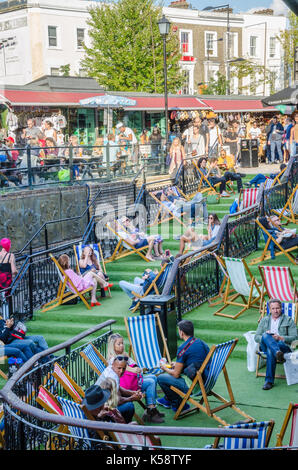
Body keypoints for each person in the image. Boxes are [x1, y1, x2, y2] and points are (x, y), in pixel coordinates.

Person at [107, 333, 165, 423]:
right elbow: (127, 368)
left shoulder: (124, 355)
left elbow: (135, 365)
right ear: (112, 346)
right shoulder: (113, 359)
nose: (122, 346)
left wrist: (136, 368)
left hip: (131, 382)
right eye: (119, 344)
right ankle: (150, 410)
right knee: (150, 382)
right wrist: (134, 369)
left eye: (122, 343)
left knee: (153, 377)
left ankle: (151, 408)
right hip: (124, 386)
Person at [157, 320, 210, 412]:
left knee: (161, 378)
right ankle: (167, 399)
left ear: (181, 332)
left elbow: (176, 374)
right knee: (173, 371)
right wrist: (180, 365)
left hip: (194, 386)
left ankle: (178, 404)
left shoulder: (183, 348)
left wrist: (164, 368)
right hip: (207, 382)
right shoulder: (201, 342)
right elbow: (198, 361)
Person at [254, 299, 298, 390]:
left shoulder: (288, 320)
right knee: (266, 335)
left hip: (283, 346)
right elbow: (256, 337)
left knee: (271, 350)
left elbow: (295, 338)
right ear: (270, 309)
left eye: (277, 308)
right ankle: (277, 352)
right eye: (273, 308)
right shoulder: (264, 320)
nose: (275, 310)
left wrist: (280, 338)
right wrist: (266, 337)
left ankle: (269, 381)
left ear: (281, 308)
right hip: (266, 346)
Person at [95, 356, 143, 423]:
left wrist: (133, 393)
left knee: (127, 400)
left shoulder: (111, 369)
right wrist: (131, 398)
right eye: (119, 368)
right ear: (113, 365)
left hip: (106, 403)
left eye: (124, 368)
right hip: (103, 410)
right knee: (129, 406)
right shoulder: (112, 376)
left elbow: (119, 388)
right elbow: (116, 401)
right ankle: (124, 428)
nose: (121, 371)